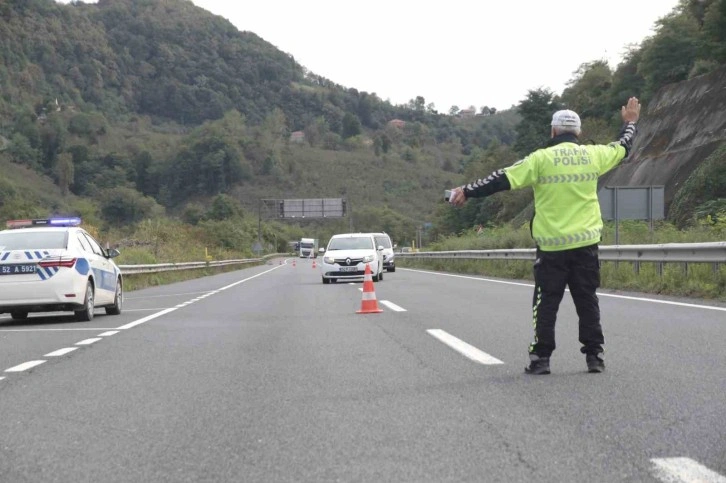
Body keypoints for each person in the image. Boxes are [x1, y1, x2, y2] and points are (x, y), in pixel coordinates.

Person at [448, 97, 641, 375]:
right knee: (587, 300)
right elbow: (623, 147)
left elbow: (501, 178)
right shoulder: (594, 155)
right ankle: (594, 357)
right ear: (578, 133)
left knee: (546, 302)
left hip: (551, 248)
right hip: (586, 245)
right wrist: (630, 122)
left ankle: (541, 359)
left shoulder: (540, 159)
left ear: (552, 131)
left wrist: (467, 190)